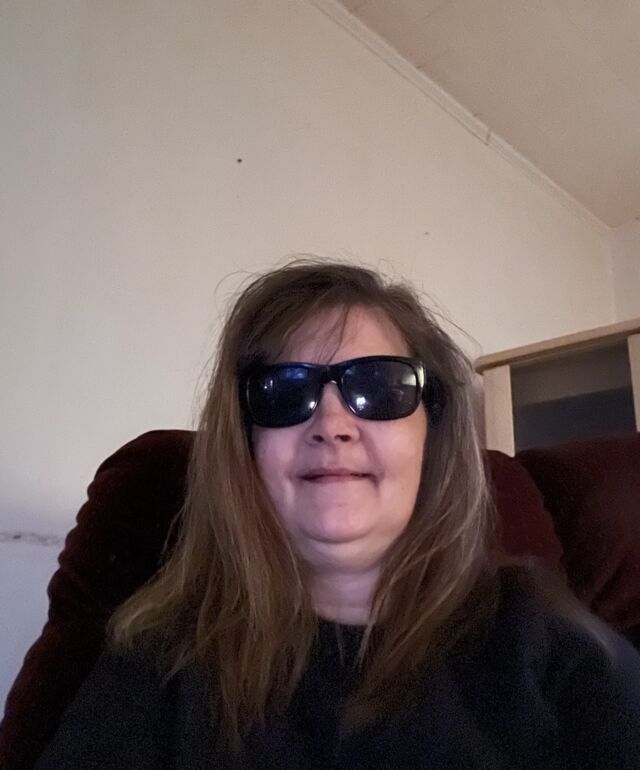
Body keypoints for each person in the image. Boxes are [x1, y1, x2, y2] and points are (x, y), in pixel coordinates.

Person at [35, 258, 640, 769]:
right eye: (284, 390)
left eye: (378, 386)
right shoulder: (156, 659)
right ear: (245, 447)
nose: (331, 424)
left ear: (431, 434)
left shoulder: (541, 636)